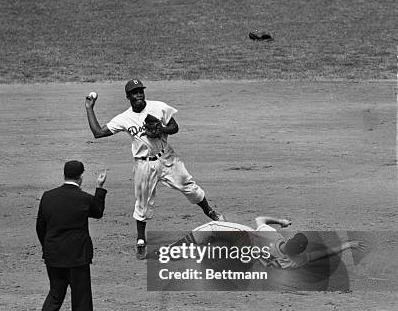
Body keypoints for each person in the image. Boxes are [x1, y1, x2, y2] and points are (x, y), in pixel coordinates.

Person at [85, 78, 224, 259]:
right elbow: (98, 133)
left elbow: (175, 127)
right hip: (143, 164)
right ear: (128, 97)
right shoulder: (124, 118)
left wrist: (163, 129)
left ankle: (210, 211)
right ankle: (141, 239)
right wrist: (89, 108)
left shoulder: (158, 107)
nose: (139, 94)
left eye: (141, 91)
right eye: (135, 92)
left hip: (167, 158)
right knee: (142, 203)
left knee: (189, 186)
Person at [29, 161, 107, 311]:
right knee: (81, 298)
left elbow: (40, 227)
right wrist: (99, 188)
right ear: (80, 177)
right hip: (77, 256)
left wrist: (48, 248)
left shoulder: (48, 197)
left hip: (53, 255)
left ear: (64, 175)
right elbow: (98, 212)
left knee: (55, 294)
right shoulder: (83, 198)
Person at [169, 215, 363, 270]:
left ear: (289, 239)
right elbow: (320, 255)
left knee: (213, 226)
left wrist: (280, 222)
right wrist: (346, 245)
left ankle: (174, 250)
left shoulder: (273, 236)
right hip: (245, 261)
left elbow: (260, 219)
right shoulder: (293, 262)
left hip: (241, 240)